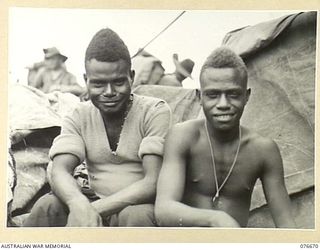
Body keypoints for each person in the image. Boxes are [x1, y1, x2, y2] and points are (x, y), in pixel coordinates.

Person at [24, 28, 171, 227]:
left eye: (118, 82)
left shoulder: (154, 111)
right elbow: (59, 171)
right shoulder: (78, 115)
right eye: (99, 84)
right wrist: (78, 204)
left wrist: (91, 212)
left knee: (137, 217)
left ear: (132, 77)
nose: (109, 92)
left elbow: (153, 181)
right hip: (91, 199)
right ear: (86, 81)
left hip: (137, 205)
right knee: (47, 207)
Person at [155, 47, 296, 228]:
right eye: (213, 95)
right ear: (200, 97)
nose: (223, 104)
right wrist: (217, 219)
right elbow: (164, 209)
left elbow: (286, 225)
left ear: (246, 97)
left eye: (233, 94)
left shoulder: (264, 150)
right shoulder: (183, 136)